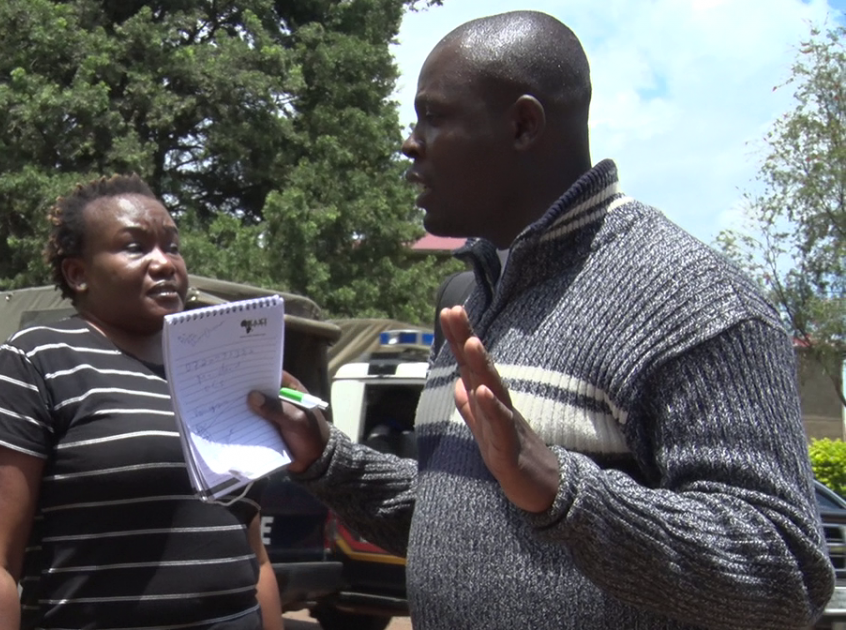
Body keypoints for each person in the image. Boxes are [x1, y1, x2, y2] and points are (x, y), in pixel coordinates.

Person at [248, 10, 835, 630]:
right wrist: (327, 458)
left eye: (434, 116)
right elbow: (459, 523)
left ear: (523, 125)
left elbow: (787, 574)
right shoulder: (472, 298)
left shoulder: (695, 303)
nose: (410, 143)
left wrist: (563, 491)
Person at [0, 175, 282, 630]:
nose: (164, 263)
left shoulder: (218, 370)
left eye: (172, 246)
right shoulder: (34, 361)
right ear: (78, 274)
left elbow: (254, 555)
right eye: (135, 247)